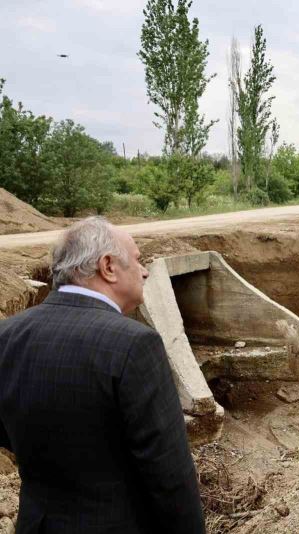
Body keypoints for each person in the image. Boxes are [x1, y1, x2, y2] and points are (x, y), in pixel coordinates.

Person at [0, 217, 204, 533]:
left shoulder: (7, 335)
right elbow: (170, 476)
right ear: (108, 266)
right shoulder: (135, 344)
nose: (146, 270)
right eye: (137, 260)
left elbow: (7, 432)